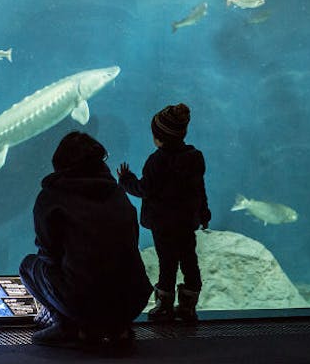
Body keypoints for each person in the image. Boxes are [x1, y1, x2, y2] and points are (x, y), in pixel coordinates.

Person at [19, 131, 152, 349]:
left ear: (60, 163)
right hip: (133, 300)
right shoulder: (118, 193)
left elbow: (48, 255)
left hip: (83, 302)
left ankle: (67, 325)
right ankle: (118, 327)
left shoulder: (51, 197)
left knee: (28, 265)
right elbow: (132, 242)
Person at [117, 103, 211, 322]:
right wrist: (204, 214)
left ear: (158, 137)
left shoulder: (156, 161)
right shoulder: (195, 157)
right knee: (189, 261)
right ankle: (188, 307)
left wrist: (125, 180)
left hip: (163, 225)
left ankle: (164, 307)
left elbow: (144, 189)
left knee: (167, 264)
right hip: (187, 223)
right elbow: (199, 189)